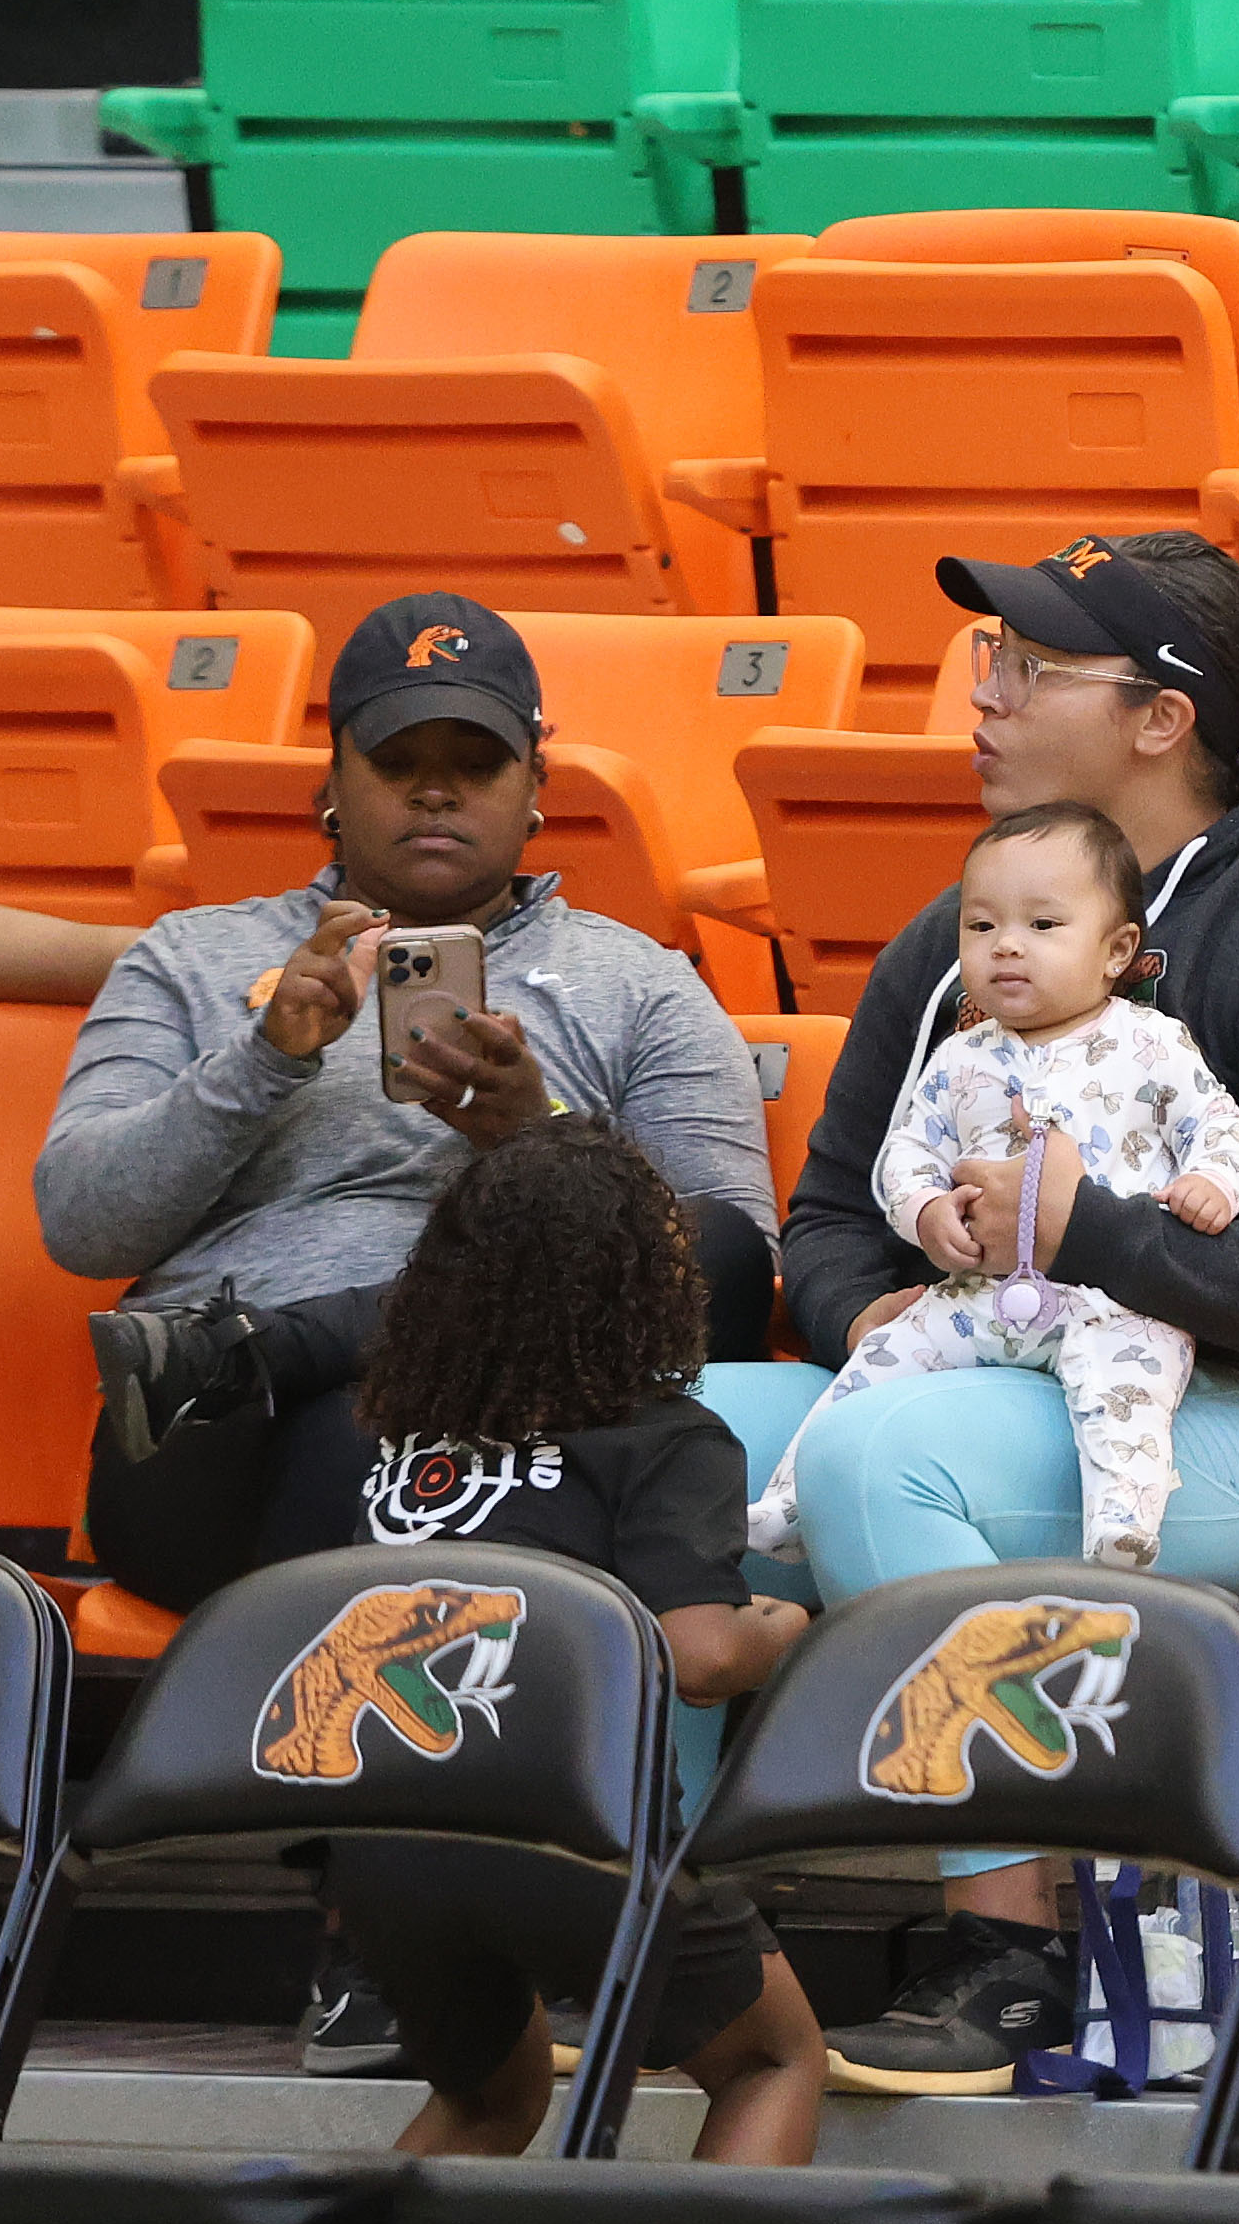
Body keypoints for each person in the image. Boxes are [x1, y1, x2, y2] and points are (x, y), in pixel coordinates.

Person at [721, 532, 1239, 2098]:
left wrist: (1088, 1229)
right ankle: (682, 1943)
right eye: (994, 660)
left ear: (1162, 722)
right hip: (992, 1369)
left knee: (879, 1464)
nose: (981, 696)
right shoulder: (975, 931)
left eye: (1029, 670)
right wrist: (872, 1299)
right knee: (696, 1436)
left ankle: (1016, 1956)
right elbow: (833, 1207)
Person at [46, 590, 780, 1602]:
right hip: (223, 1452)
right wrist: (261, 1060)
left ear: (536, 786)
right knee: (355, 1447)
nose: (435, 794)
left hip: (517, 1419)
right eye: (399, 764)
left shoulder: (644, 981)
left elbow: (729, 1278)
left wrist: (541, 1137)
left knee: (714, 1238)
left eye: (475, 765)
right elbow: (83, 1223)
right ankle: (270, 1367)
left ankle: (275, 1352)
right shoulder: (192, 957)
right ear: (333, 784)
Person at [299, 1124, 827, 2224]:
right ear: (637, 1287)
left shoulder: (404, 1451)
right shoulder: (664, 1436)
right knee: (772, 2056)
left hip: (384, 1840)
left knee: (488, 2099)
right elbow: (698, 1653)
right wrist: (785, 1629)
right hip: (566, 1832)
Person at [770, 805, 1239, 1567]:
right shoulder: (963, 1056)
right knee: (888, 1354)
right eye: (982, 927)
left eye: (1044, 926)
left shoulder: (1152, 1042)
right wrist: (925, 1212)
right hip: (980, 1296)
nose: (1008, 948)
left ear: (1117, 950)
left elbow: (1216, 1122)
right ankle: (792, 1501)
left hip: (1110, 1298)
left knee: (1128, 1390)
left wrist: (1211, 1182)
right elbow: (907, 1154)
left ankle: (1123, 1519)